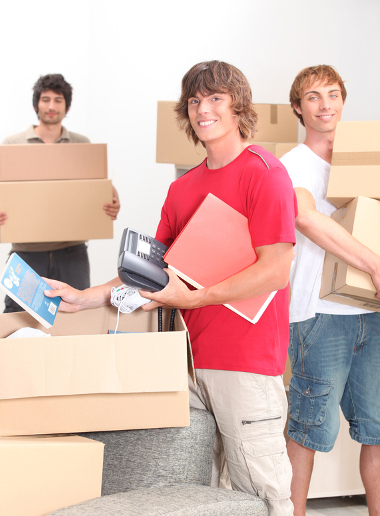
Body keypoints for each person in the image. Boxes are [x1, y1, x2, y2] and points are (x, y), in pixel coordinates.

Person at [44, 61, 297, 516]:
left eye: (215, 98)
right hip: (188, 367)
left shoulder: (265, 173)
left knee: (262, 494)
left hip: (245, 366)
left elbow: (276, 270)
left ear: (238, 106)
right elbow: (151, 269)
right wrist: (87, 297)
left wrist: (196, 297)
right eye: (195, 101)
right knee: (203, 498)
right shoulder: (183, 187)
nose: (203, 109)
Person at [280, 65, 380, 516]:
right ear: (298, 108)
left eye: (333, 94)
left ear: (344, 101)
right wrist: (373, 263)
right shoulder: (292, 164)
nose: (326, 105)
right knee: (307, 432)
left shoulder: (365, 163)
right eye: (314, 97)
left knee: (377, 430)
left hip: (369, 310)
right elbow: (304, 217)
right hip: (317, 317)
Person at [0, 74, 120, 313]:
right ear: (37, 104)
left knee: (74, 323)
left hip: (72, 252)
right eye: (46, 99)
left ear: (66, 106)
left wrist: (112, 202)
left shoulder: (80, 143)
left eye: (58, 100)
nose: (51, 106)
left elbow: (102, 185)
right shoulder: (14, 144)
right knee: (18, 320)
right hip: (26, 253)